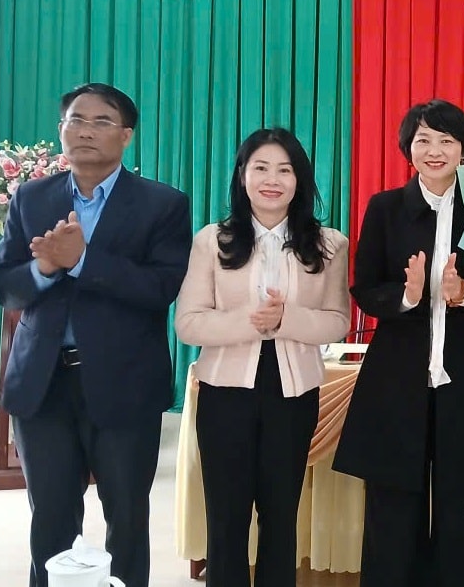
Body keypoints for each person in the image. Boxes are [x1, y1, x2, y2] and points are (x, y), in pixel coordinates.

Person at [0, 83, 192, 587]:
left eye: (102, 121)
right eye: (75, 120)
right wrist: (43, 268)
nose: (85, 130)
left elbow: (160, 288)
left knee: (126, 519)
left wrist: (82, 261)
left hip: (125, 385)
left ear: (126, 135)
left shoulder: (162, 204)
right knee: (50, 520)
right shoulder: (32, 197)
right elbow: (4, 286)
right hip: (43, 385)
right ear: (61, 130)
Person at [332, 99, 464, 587]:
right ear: (408, 148)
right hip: (397, 377)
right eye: (424, 140)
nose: (435, 151)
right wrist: (407, 296)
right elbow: (365, 287)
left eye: (447, 140)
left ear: (463, 150)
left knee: (463, 504)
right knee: (392, 506)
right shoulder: (385, 208)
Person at [174, 128, 350, 586]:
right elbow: (188, 323)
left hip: (294, 393)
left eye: (284, 170)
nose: (272, 180)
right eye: (261, 168)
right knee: (226, 517)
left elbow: (337, 321)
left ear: (299, 179)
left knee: (280, 514)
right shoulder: (211, 241)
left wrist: (286, 319)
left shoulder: (330, 244)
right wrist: (252, 321)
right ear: (242, 176)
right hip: (223, 393)